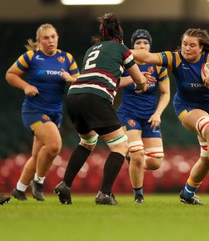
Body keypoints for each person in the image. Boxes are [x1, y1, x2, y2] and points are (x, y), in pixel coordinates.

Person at [131, 28, 209, 204]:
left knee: (207, 157)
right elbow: (145, 57)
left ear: (201, 49)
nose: (187, 48)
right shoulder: (175, 58)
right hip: (186, 107)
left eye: (192, 45)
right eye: (184, 44)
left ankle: (187, 193)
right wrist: (118, 51)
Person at [53, 13, 152, 205]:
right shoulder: (122, 49)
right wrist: (142, 85)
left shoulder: (92, 49)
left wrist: (134, 80)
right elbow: (139, 79)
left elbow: (109, 77)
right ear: (120, 35)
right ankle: (104, 193)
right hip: (95, 97)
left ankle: (65, 184)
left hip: (74, 95)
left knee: (87, 141)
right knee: (121, 145)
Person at [5, 24, 80, 201]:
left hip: (55, 113)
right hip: (34, 110)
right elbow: (10, 74)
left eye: (53, 36)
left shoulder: (67, 58)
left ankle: (19, 189)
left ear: (57, 38)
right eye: (46, 38)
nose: (50, 40)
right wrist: (26, 86)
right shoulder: (31, 56)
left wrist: (71, 79)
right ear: (39, 42)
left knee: (38, 155)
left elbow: (79, 80)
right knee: (54, 145)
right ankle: (38, 182)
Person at [117, 29, 170, 203]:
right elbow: (114, 83)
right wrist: (135, 78)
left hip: (149, 117)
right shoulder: (125, 65)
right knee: (138, 155)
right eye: (138, 43)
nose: (142, 46)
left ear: (150, 45)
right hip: (128, 114)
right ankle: (138, 196)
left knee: (155, 163)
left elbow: (165, 93)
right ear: (132, 46)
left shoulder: (158, 66)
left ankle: (132, 160)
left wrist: (158, 113)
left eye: (145, 43)